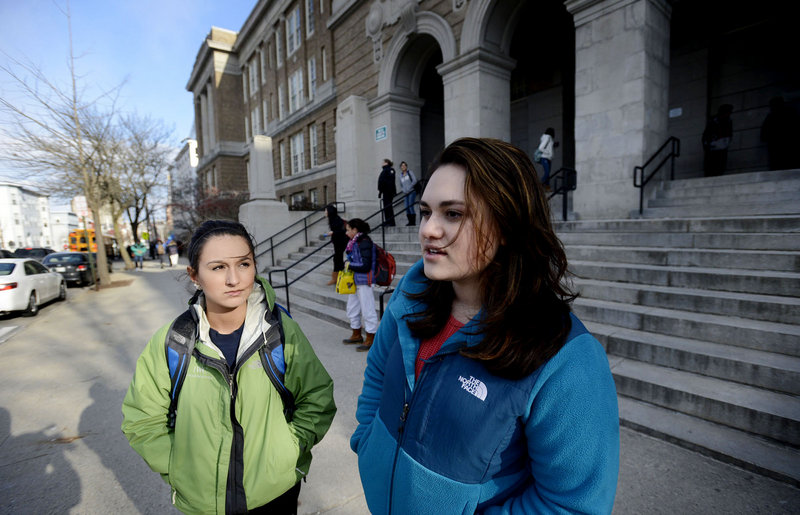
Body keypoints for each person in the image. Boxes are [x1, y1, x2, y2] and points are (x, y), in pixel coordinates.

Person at [350, 138, 619, 514]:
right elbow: (378, 374)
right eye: (425, 211)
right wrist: (367, 443)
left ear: (508, 223)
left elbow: (573, 505)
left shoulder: (566, 357)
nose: (428, 229)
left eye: (454, 214)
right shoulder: (409, 298)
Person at [121, 220, 336, 514]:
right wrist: (179, 465)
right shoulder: (173, 341)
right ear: (194, 275)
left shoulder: (281, 332)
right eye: (218, 267)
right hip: (202, 502)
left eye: (244, 264)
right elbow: (141, 419)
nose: (234, 279)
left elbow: (317, 397)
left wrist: (288, 450)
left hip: (275, 493)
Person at [341, 218, 378, 352]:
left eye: (348, 229)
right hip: (355, 281)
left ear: (355, 230)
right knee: (352, 308)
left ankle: (371, 337)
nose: (346, 233)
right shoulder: (354, 242)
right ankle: (356, 334)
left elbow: (366, 265)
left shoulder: (364, 242)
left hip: (365, 280)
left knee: (368, 309)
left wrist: (350, 265)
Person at [761, 96, 800, 171]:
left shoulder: (772, 116)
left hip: (783, 147)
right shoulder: (789, 112)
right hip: (783, 147)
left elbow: (764, 135)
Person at [702, 104, 734, 177]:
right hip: (712, 148)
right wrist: (709, 144)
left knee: (720, 168)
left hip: (721, 148)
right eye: (727, 112)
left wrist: (726, 142)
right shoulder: (714, 121)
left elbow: (729, 134)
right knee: (710, 168)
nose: (728, 114)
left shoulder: (728, 121)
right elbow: (706, 135)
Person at [324, 204, 349, 286]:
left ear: (330, 212)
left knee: (337, 258)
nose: (325, 212)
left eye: (326, 210)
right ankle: (337, 278)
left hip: (341, 241)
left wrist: (333, 232)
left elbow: (342, 231)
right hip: (338, 241)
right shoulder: (332, 219)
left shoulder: (336, 219)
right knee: (337, 258)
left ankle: (337, 278)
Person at [398, 161, 419, 226]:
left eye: (404, 165)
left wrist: (409, 188)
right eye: (402, 166)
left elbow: (414, 180)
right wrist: (404, 190)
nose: (403, 167)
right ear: (400, 167)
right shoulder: (400, 176)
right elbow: (401, 185)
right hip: (405, 193)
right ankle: (410, 222)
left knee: (410, 206)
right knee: (406, 207)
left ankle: (413, 222)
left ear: (406, 167)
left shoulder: (410, 172)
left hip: (412, 192)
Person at [377, 159, 397, 227]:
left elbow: (390, 181)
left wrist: (388, 190)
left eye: (383, 162)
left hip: (388, 192)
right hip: (385, 192)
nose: (382, 163)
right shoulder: (384, 170)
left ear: (386, 163)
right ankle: (387, 221)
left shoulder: (390, 170)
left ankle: (391, 222)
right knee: (386, 207)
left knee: (388, 207)